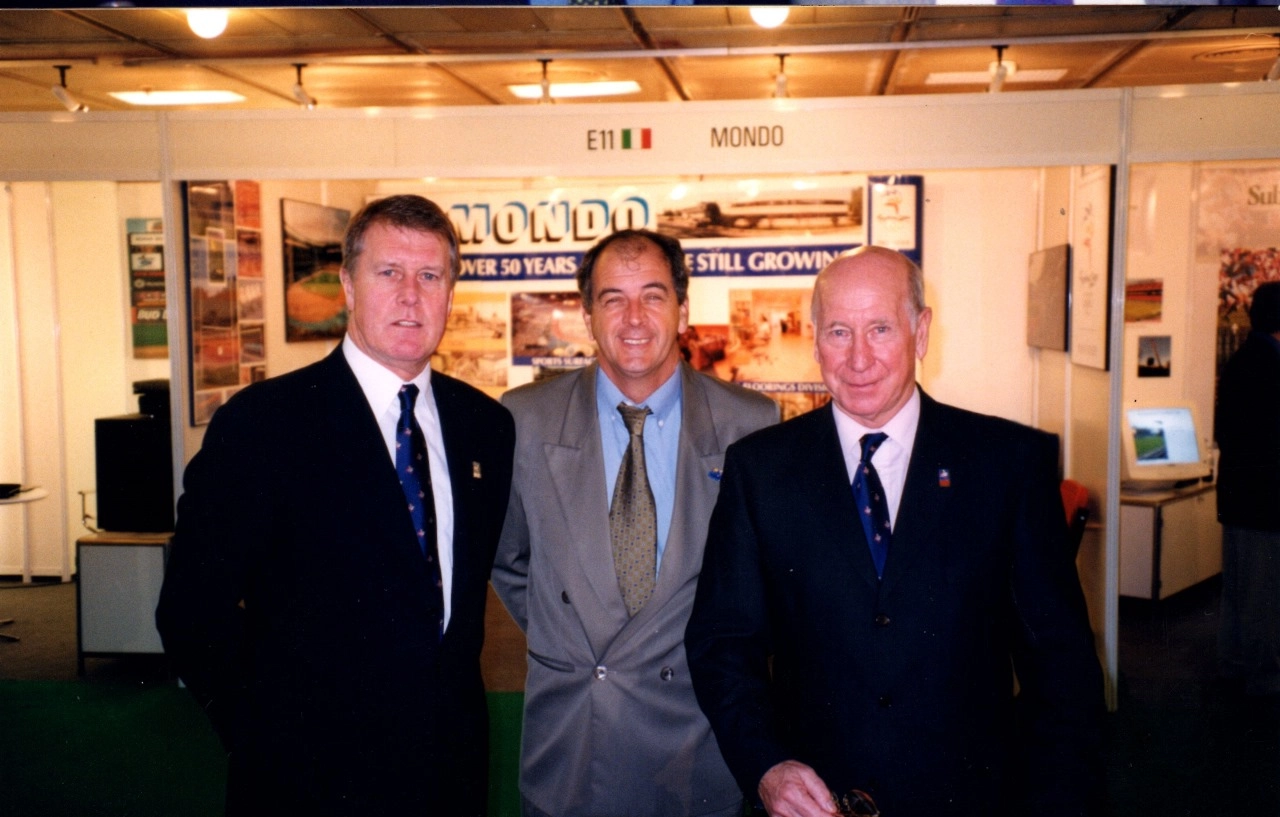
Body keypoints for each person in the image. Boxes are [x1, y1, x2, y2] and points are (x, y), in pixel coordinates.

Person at [685, 246, 1105, 817]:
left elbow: (1061, 667)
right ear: (813, 340)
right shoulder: (760, 470)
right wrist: (764, 765)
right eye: (839, 332)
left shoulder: (1006, 465)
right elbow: (722, 644)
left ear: (921, 331)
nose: (859, 359)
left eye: (880, 328)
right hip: (811, 803)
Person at [156, 194, 515, 816]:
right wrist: (262, 735)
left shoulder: (484, 425)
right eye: (388, 273)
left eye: (430, 276)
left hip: (447, 773)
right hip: (305, 779)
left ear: (451, 292)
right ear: (348, 285)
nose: (411, 295)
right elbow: (191, 610)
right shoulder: (264, 424)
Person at [491, 229, 779, 817]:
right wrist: (572, 638)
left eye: (652, 295)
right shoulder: (524, 419)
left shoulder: (750, 423)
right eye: (612, 298)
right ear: (586, 314)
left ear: (683, 308)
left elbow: (763, 585)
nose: (634, 318)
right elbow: (510, 559)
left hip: (700, 741)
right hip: (571, 745)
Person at [1216, 280, 1280, 697]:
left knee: (1241, 590)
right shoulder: (1269, 365)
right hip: (1264, 500)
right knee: (1262, 594)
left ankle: (1237, 666)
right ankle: (1264, 678)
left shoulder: (1244, 360)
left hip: (1242, 497)